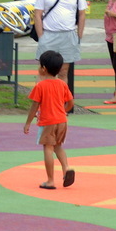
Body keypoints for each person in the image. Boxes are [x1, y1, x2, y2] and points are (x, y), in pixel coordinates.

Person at [23, 49, 75, 190]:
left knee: (48, 147)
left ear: (43, 69)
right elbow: (70, 103)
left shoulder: (40, 86)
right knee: (58, 146)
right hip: (62, 121)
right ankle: (66, 168)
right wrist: (62, 112)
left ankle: (50, 180)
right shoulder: (62, 84)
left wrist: (28, 123)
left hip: (48, 122)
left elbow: (34, 106)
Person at [33, 0, 87, 84]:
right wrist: (41, 36)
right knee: (44, 71)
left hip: (68, 35)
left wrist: (79, 35)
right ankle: (41, 102)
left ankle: (61, 102)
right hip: (49, 35)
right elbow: (37, 14)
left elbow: (82, 14)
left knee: (63, 71)